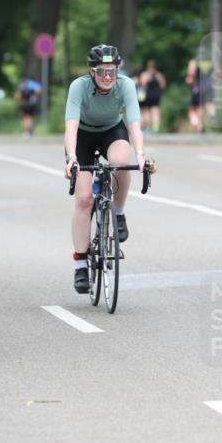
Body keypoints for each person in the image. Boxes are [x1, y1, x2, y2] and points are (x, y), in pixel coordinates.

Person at [64, 44, 154, 294]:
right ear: (92, 72)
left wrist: (140, 154)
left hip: (111, 132)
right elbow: (70, 125)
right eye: (102, 71)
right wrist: (71, 157)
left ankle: (118, 210)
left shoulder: (125, 85)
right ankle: (81, 263)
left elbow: (134, 121)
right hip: (82, 136)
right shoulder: (78, 87)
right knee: (83, 199)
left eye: (112, 71)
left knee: (122, 163)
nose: (108, 77)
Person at [185, 58, 215, 133]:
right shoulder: (209, 63)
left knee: (197, 108)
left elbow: (190, 75)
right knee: (204, 107)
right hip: (208, 86)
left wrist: (189, 78)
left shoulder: (194, 63)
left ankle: (199, 125)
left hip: (198, 88)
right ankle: (202, 125)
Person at [137, 60, 166, 133]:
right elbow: (163, 85)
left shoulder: (145, 74)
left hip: (148, 95)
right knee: (154, 112)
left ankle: (149, 128)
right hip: (155, 95)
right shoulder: (159, 75)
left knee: (147, 112)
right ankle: (154, 128)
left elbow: (142, 84)